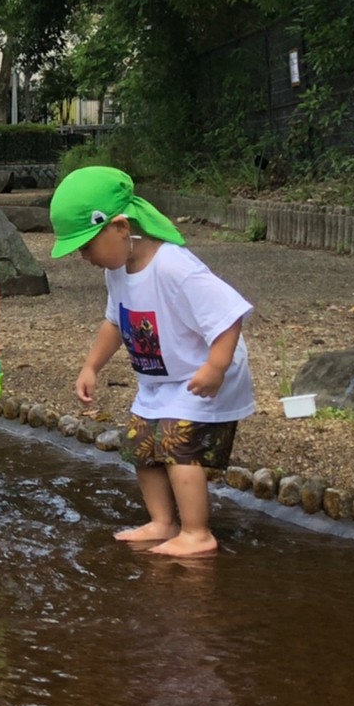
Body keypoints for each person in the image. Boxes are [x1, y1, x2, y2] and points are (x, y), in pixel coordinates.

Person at [51, 166, 256, 557]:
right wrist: (91, 366)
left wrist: (215, 367)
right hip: (162, 379)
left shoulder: (174, 266)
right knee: (141, 444)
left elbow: (228, 315)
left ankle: (197, 533)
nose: (83, 257)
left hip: (203, 372)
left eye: (87, 245)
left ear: (121, 227)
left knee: (177, 445)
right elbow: (115, 321)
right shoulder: (118, 270)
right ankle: (164, 522)